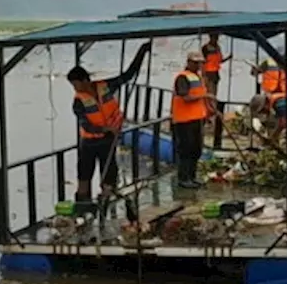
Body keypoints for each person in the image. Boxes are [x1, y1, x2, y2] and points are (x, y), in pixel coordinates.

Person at [67, 43, 151, 202]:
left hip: (107, 142)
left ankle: (105, 205)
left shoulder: (105, 86)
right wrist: (107, 128)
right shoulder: (78, 102)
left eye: (75, 84)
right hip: (89, 143)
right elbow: (87, 125)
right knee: (84, 177)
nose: (75, 88)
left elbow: (128, 75)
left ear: (85, 80)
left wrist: (142, 51)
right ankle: (82, 207)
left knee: (109, 178)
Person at [171, 51, 213, 189]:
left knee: (196, 149)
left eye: (199, 63)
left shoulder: (198, 77)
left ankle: (192, 176)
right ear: (189, 62)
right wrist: (204, 95)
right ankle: (183, 178)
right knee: (186, 150)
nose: (198, 65)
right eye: (195, 63)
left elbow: (200, 97)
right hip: (184, 121)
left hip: (197, 119)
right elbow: (186, 97)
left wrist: (209, 111)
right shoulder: (182, 78)